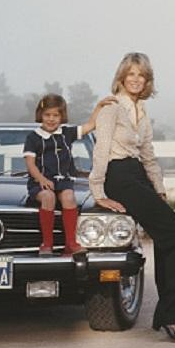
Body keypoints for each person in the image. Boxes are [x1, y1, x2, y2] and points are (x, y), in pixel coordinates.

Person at [89, 52, 175, 344]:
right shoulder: (111, 108)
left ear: (147, 80)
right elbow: (101, 150)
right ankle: (173, 317)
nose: (136, 80)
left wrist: (159, 188)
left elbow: (148, 155)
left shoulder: (142, 111)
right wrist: (98, 191)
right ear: (121, 77)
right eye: (131, 74)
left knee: (171, 239)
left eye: (142, 75)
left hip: (137, 175)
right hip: (118, 176)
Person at [24, 93, 115, 256]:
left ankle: (71, 243)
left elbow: (90, 125)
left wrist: (99, 107)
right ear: (40, 115)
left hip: (63, 181)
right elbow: (30, 163)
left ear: (62, 116)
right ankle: (47, 244)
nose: (51, 119)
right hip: (40, 182)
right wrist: (41, 179)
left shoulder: (67, 133)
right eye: (47, 115)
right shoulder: (33, 137)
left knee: (69, 197)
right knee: (48, 197)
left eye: (56, 115)